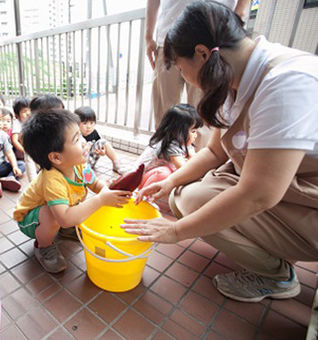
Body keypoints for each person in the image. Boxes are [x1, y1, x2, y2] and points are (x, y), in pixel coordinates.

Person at [123, 1, 318, 303]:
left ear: (201, 53)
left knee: (192, 206)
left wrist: (176, 232)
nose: (183, 76)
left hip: (305, 203)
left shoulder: (286, 85)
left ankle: (277, 275)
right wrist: (169, 182)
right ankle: (267, 252)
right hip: (278, 191)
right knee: (181, 196)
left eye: (180, 66)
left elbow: (259, 195)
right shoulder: (233, 75)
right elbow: (214, 152)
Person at [13, 109, 131, 273]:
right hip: (29, 218)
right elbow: (65, 218)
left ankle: (66, 231)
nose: (84, 142)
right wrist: (101, 200)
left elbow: (96, 185)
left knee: (62, 213)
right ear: (56, 157)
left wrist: (107, 192)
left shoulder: (80, 165)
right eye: (77, 139)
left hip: (60, 213)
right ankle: (43, 246)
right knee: (52, 215)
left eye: (80, 136)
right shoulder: (51, 180)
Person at [145, 0, 250, 149]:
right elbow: (215, 154)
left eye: (180, 69)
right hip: (167, 35)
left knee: (204, 119)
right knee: (167, 113)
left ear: (203, 54)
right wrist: (149, 36)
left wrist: (237, 16)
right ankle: (164, 155)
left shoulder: (274, 84)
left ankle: (190, 158)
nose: (181, 73)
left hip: (214, 33)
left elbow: (214, 154)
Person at [135, 104, 202, 194]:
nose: (196, 135)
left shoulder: (184, 142)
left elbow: (195, 159)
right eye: (193, 131)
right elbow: (184, 169)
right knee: (165, 174)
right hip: (139, 180)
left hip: (152, 176)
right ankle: (145, 199)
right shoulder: (170, 145)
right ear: (178, 131)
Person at [75, 106, 126, 174]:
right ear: (76, 124)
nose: (89, 126)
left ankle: (116, 164)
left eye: (91, 123)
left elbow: (102, 150)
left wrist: (102, 152)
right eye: (84, 123)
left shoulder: (95, 133)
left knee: (104, 142)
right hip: (79, 164)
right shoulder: (75, 135)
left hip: (90, 161)